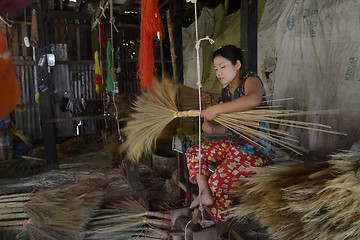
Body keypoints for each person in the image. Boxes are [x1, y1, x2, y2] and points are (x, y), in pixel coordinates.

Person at [186, 44, 274, 222]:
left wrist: (217, 109)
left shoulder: (250, 79)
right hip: (235, 145)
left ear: (237, 65)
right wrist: (213, 130)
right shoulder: (225, 93)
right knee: (194, 152)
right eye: (216, 68)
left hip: (255, 150)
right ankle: (204, 193)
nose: (219, 72)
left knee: (217, 183)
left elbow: (253, 99)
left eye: (223, 66)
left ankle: (221, 226)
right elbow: (226, 128)